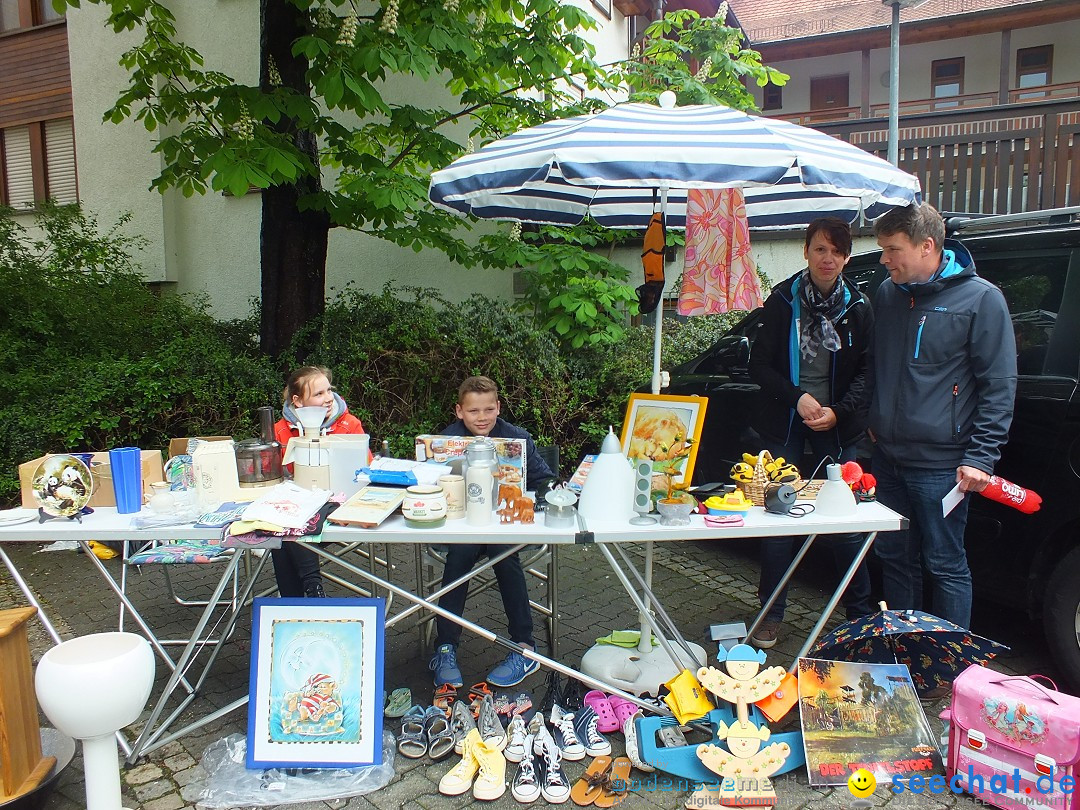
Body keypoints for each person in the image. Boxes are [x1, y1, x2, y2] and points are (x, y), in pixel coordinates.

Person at [868, 203, 1016, 631]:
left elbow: (999, 386)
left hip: (942, 465)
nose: (884, 259)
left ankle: (952, 670)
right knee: (894, 558)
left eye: (892, 249)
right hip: (889, 459)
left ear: (927, 245)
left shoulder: (981, 300)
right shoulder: (888, 293)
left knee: (945, 563)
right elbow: (877, 364)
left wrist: (981, 458)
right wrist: (872, 423)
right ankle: (907, 651)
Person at [746, 218, 874, 649]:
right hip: (786, 421)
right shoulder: (783, 300)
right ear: (805, 251)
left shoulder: (858, 306)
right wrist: (797, 397)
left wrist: (838, 411)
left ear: (846, 258)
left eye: (836, 252)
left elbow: (867, 372)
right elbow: (759, 366)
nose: (828, 259)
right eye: (820, 249)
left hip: (837, 428)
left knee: (845, 524)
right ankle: (770, 613)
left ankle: (860, 616)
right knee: (778, 521)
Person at [428, 376, 555, 688]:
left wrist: (543, 492)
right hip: (462, 526)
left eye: (488, 409)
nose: (481, 417)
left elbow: (546, 480)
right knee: (458, 555)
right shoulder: (444, 441)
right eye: (473, 411)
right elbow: (428, 484)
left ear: (498, 407)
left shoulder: (517, 438)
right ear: (459, 411)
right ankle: (445, 647)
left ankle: (525, 647)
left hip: (503, 524)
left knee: (505, 552)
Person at [271, 366, 368, 598]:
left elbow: (366, 469)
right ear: (298, 401)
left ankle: (297, 602)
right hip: (296, 507)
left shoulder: (349, 425)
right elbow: (273, 477)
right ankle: (308, 594)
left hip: (341, 504)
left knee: (288, 531)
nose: (328, 399)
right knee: (286, 529)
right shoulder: (280, 430)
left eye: (329, 391)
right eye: (318, 394)